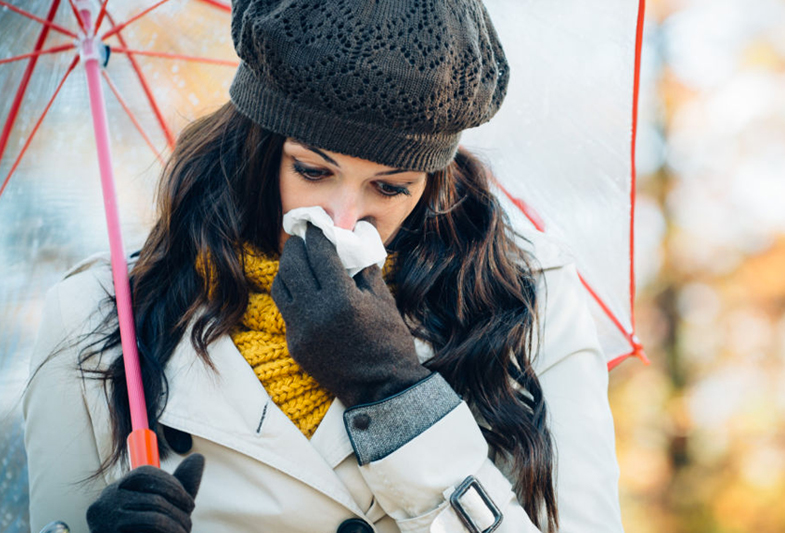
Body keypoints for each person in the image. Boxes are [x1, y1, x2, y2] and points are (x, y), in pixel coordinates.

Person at [23, 1, 624, 532]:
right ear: (259, 147)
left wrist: (396, 398)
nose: (343, 219)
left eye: (390, 188)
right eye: (312, 171)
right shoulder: (102, 317)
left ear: (431, 180)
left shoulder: (522, 301)